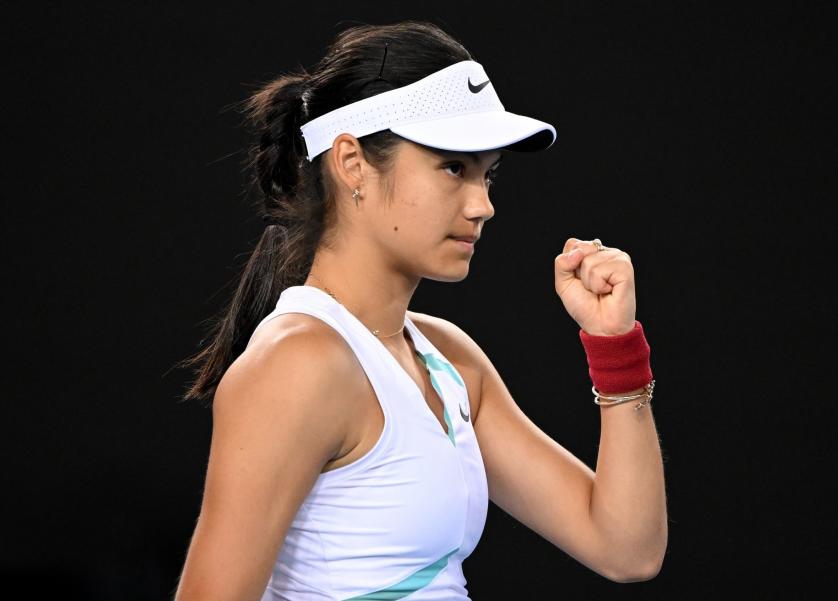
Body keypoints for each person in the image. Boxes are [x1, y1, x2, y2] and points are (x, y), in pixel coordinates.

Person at [174, 20, 667, 601]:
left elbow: (626, 548)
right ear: (352, 162)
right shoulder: (296, 364)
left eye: (488, 173)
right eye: (453, 167)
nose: (482, 205)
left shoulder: (450, 360)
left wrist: (616, 348)